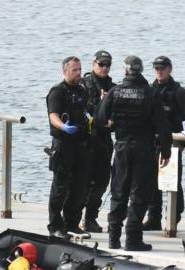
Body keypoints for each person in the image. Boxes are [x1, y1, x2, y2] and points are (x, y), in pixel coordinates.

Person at [96, 55, 172, 251]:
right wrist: (166, 152)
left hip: (121, 147)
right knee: (139, 194)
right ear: (141, 70)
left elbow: (101, 118)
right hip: (144, 149)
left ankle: (113, 238)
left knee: (118, 192)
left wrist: (115, 124)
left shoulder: (115, 91)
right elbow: (163, 126)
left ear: (126, 70)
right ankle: (133, 239)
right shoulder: (150, 93)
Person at [143, 56, 185, 230]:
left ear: (170, 69)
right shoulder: (149, 90)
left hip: (173, 144)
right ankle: (153, 218)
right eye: (156, 68)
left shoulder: (180, 93)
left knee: (174, 183)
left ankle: (174, 218)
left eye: (163, 68)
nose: (159, 71)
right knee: (151, 182)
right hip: (152, 144)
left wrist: (179, 146)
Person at [46, 56, 91, 239]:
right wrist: (63, 126)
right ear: (65, 71)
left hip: (81, 144)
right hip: (63, 145)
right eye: (75, 70)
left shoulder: (81, 90)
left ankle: (72, 222)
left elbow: (84, 110)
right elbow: (53, 115)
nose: (79, 73)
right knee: (60, 186)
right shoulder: (58, 91)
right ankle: (55, 226)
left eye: (80, 69)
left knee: (80, 186)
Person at [81, 50, 116, 233]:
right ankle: (74, 216)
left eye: (107, 65)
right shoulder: (84, 84)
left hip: (104, 140)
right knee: (83, 180)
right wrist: (99, 108)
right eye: (101, 64)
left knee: (102, 180)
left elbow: (118, 112)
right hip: (87, 140)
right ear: (93, 63)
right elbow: (81, 109)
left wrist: (112, 119)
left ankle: (90, 217)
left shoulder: (114, 87)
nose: (104, 68)